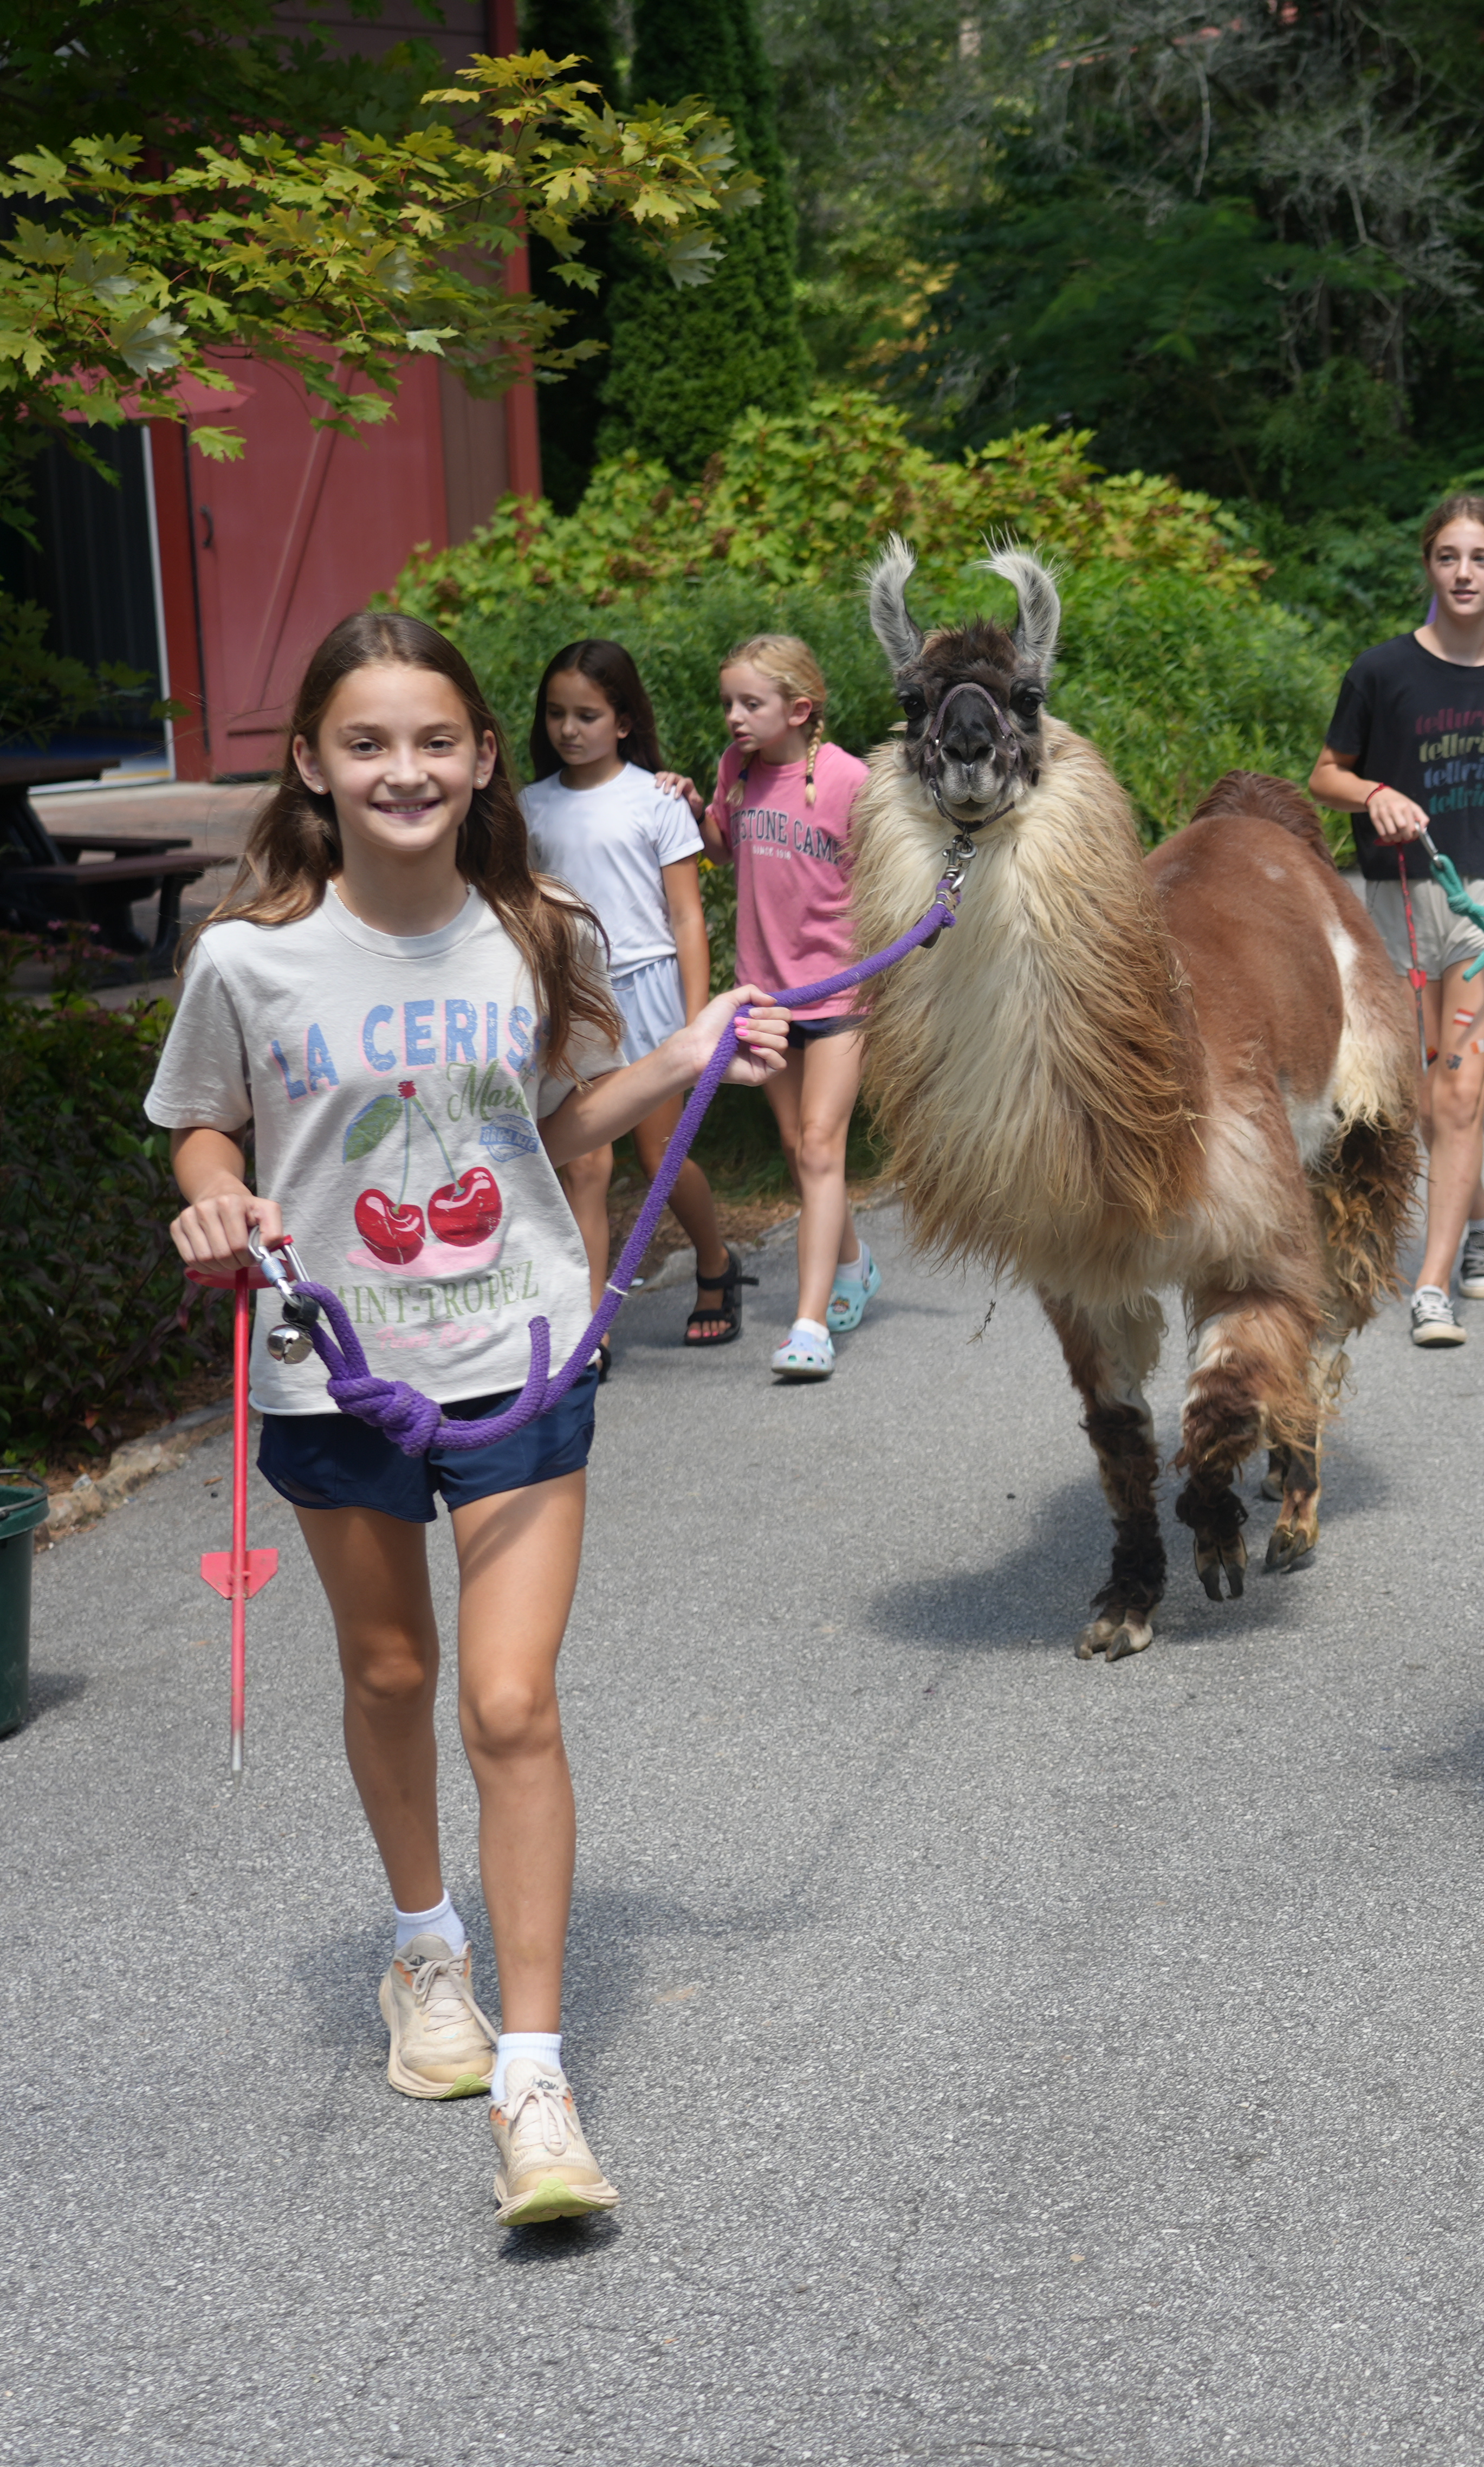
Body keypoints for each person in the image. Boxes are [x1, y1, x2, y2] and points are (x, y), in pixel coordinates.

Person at [149, 610, 788, 2228]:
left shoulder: (537, 929)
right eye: (365, 742)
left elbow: (560, 1119)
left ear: (482, 755)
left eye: (435, 738)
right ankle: (422, 1950)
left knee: (508, 1703)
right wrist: (215, 1206)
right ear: (310, 762)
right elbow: (203, 1133)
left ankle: (536, 2078)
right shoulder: (246, 957)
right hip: (332, 1368)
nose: (404, 769)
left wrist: (689, 1056)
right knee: (388, 1669)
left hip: (518, 1354)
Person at [1308, 494, 1484, 1348]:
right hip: (1396, 909)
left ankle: (1431, 1288)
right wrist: (1376, 793)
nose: (1465, 574)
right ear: (1430, 565)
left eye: (1482, 559)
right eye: (1449, 558)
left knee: (1461, 1091)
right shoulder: (1382, 673)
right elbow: (1326, 776)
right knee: (1420, 1100)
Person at [519, 639, 747, 1348]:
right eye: (556, 714)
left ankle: (716, 1263)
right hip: (571, 998)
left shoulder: (657, 798)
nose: (569, 729)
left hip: (649, 992)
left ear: (622, 721)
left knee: (662, 1158)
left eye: (587, 714)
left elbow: (686, 917)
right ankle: (593, 1328)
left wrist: (694, 1021)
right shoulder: (528, 807)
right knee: (584, 1160)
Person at [703, 635, 871, 1383]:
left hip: (836, 991)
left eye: (751, 704)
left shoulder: (852, 782)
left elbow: (886, 882)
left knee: (818, 1148)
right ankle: (857, 1264)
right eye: (729, 703)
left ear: (799, 710)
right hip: (763, 993)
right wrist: (692, 806)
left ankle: (807, 1326)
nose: (734, 718)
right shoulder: (735, 771)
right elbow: (723, 851)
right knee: (801, 1151)